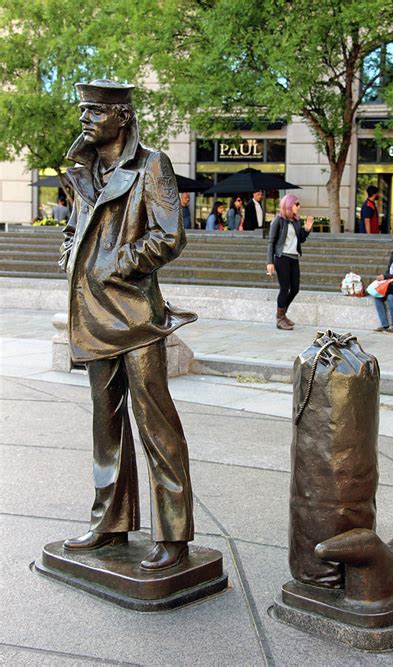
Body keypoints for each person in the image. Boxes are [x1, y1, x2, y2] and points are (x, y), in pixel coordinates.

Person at [58, 79, 197, 571]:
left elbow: (169, 236)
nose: (85, 118)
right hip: (93, 314)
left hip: (136, 315)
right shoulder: (84, 169)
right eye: (83, 109)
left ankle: (174, 534)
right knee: (105, 425)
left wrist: (116, 262)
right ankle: (110, 522)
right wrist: (72, 249)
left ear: (121, 116)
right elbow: (77, 225)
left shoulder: (151, 165)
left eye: (94, 110)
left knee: (156, 423)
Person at [266, 194, 313, 330]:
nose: (299, 207)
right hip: (282, 258)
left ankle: (282, 314)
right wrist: (270, 262)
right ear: (289, 205)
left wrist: (307, 230)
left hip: (294, 258)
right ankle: (280, 318)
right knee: (284, 288)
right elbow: (271, 242)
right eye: (296, 204)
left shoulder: (296, 221)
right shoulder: (278, 221)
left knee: (295, 288)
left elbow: (301, 239)